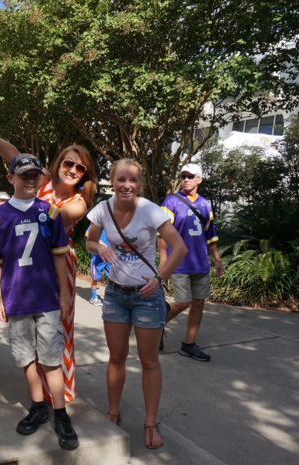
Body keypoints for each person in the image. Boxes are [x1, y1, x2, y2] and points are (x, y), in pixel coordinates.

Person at [0, 112, 97, 404]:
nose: (72, 169)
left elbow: (45, 217)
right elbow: (13, 153)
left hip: (54, 262)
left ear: (85, 175)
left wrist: (1, 212)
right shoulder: (43, 181)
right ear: (59, 164)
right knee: (24, 331)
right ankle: (39, 394)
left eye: (80, 168)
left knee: (59, 329)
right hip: (23, 263)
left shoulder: (77, 202)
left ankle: (61, 393)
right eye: (68, 163)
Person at [85, 158, 187, 450]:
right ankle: (113, 411)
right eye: (121, 179)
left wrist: (160, 278)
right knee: (116, 358)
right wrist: (101, 247)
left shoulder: (150, 211)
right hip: (116, 294)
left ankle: (150, 421)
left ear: (139, 183)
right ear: (112, 181)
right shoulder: (102, 209)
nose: (126, 185)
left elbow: (179, 247)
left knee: (149, 361)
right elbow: (90, 242)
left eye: (132, 180)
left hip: (147, 297)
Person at [0, 153, 78, 450]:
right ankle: (38, 405)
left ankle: (61, 414)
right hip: (17, 298)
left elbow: (59, 256)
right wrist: (2, 296)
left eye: (34, 175)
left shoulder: (50, 212)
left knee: (51, 359)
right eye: (23, 175)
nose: (29, 180)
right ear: (10, 178)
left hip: (46, 298)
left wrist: (64, 294)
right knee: (26, 357)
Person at [158, 163, 224, 361]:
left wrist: (217, 259)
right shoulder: (171, 201)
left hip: (200, 263)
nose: (185, 179)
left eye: (190, 176)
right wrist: (163, 258)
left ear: (199, 179)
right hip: (179, 263)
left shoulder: (205, 204)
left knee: (198, 303)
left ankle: (189, 344)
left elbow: (210, 235)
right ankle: (157, 324)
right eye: (183, 176)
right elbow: (161, 233)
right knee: (183, 301)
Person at [84, 226, 111, 305]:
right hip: (97, 255)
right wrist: (99, 242)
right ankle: (93, 297)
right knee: (95, 277)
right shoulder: (98, 221)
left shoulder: (115, 221)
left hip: (110, 255)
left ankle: (106, 294)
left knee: (113, 277)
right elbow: (87, 233)